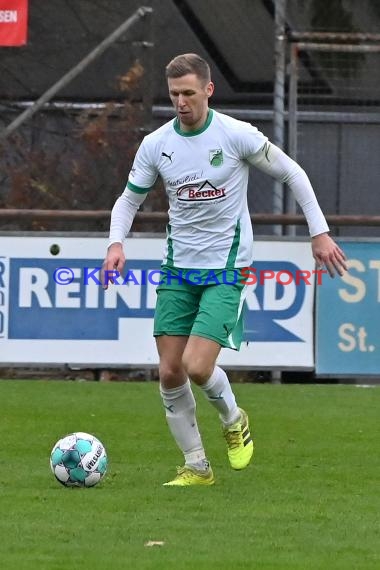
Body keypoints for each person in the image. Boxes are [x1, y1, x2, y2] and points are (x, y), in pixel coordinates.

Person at [102, 53, 347, 487]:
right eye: (175, 94)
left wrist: (319, 232)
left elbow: (292, 173)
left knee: (198, 366)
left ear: (208, 90)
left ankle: (234, 418)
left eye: (189, 93)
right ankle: (196, 466)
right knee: (170, 371)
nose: (181, 102)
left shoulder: (235, 135)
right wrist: (115, 242)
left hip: (226, 268)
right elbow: (129, 199)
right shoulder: (157, 144)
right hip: (178, 269)